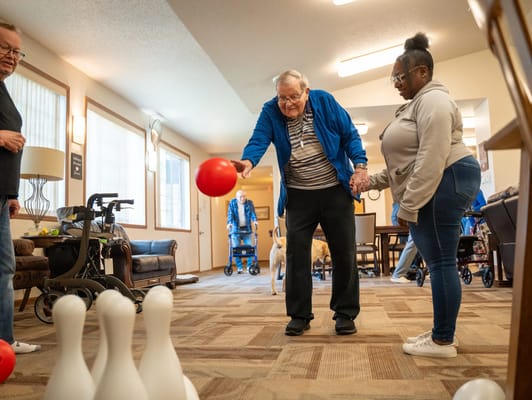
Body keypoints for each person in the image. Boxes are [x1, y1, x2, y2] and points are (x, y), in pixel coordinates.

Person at [353, 33, 481, 357]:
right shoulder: (420, 103)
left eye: (400, 76)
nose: (396, 82)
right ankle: (443, 332)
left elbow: (431, 158)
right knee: (440, 261)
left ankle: (442, 340)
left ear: (422, 72)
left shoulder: (433, 101)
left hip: (446, 177)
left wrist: (407, 207)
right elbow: (407, 167)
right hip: (443, 179)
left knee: (439, 262)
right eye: (393, 77)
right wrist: (371, 183)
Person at [232, 69, 368, 336]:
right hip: (298, 194)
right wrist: (248, 161)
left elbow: (350, 134)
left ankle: (344, 313)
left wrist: (360, 166)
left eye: (294, 96)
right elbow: (259, 138)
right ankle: (299, 315)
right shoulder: (270, 111)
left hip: (334, 191)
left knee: (344, 253)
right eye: (282, 98)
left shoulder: (324, 101)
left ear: (306, 91)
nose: (287, 103)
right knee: (295, 255)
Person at [0, 21, 41, 354]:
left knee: (5, 267)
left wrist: (12, 193)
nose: (11, 56)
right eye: (4, 47)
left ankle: (5, 341)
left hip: (1, 195)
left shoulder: (3, 90)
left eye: (16, 51)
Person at [226, 190, 258, 273]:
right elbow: (230, 214)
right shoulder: (232, 203)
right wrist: (229, 223)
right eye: (240, 197)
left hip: (247, 229)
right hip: (236, 229)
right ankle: (239, 267)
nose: (242, 198)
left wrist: (255, 221)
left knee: (250, 248)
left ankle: (249, 266)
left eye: (244, 196)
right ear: (236, 197)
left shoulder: (249, 203)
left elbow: (253, 213)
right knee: (236, 249)